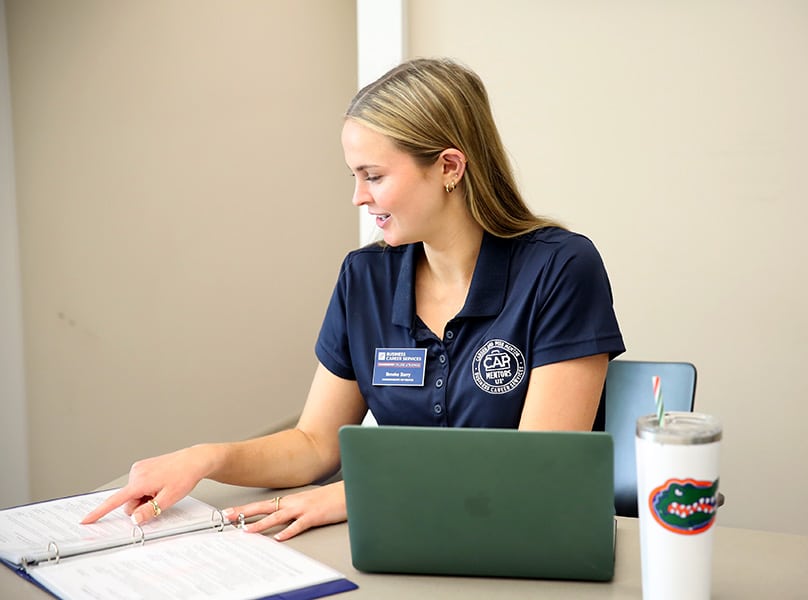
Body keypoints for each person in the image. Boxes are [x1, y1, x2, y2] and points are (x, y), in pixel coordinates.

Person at [82, 57, 625, 540]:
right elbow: (317, 445)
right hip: (399, 538)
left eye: (375, 176)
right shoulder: (364, 276)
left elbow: (536, 466)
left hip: (522, 541)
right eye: (355, 176)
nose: (359, 197)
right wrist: (206, 458)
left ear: (449, 168)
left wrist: (353, 495)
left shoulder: (561, 267)